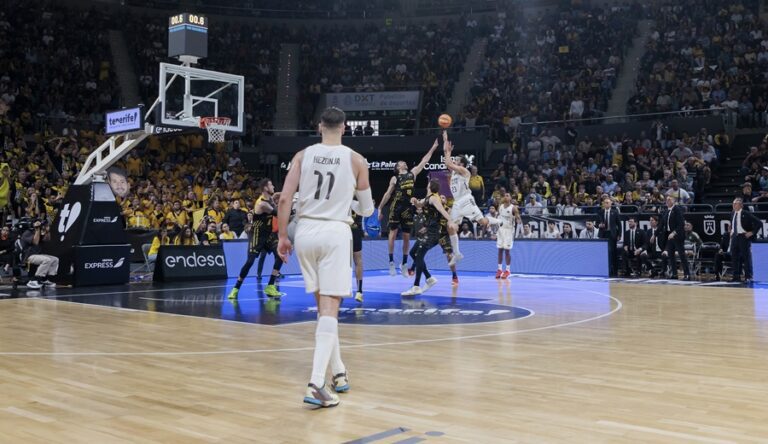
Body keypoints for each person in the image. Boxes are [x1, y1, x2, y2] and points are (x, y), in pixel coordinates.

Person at [276, 107, 373, 408]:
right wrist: (349, 203)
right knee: (331, 307)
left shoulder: (302, 156)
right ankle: (316, 383)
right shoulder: (357, 161)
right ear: (344, 127)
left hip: (304, 231)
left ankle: (338, 373)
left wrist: (282, 236)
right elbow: (367, 209)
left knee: (324, 308)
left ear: (320, 127)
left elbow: (284, 198)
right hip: (334, 232)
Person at [378, 139, 439, 277]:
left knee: (406, 236)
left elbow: (424, 161)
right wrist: (380, 208)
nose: (404, 162)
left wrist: (433, 147)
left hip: (407, 208)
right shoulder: (395, 178)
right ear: (398, 167)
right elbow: (387, 194)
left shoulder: (412, 174)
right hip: (396, 206)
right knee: (392, 234)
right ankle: (391, 262)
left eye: (404, 162)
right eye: (401, 162)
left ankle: (404, 264)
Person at [443, 132, 501, 265]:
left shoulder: (465, 172)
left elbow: (448, 163)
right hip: (458, 203)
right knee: (451, 226)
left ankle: (499, 221)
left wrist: (446, 143)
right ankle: (457, 253)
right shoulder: (454, 172)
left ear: (462, 164)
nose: (454, 161)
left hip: (466, 200)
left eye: (457, 160)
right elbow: (448, 163)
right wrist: (446, 148)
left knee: (482, 222)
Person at [228, 179, 283, 299]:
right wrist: (290, 202)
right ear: (265, 188)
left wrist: (283, 195)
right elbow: (279, 213)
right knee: (250, 262)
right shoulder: (261, 204)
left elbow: (275, 198)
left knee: (280, 255)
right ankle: (236, 288)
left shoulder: (270, 198)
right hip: (257, 234)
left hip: (268, 234)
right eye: (271, 185)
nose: (273, 186)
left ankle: (270, 286)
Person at [401, 180, 453, 296]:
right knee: (413, 253)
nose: (427, 184)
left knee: (419, 256)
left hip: (433, 233)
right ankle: (429, 278)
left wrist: (450, 220)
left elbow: (441, 210)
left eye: (428, 183)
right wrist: (415, 201)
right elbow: (419, 204)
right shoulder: (428, 198)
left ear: (430, 186)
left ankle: (416, 286)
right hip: (428, 231)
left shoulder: (434, 198)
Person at [729, 197, 761, 282]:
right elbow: (733, 224)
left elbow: (759, 223)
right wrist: (731, 231)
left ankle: (748, 277)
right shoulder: (732, 213)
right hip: (735, 237)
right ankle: (736, 277)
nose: (733, 205)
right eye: (733, 203)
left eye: (735, 204)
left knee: (746, 257)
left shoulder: (745, 213)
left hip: (743, 237)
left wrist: (752, 232)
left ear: (741, 205)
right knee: (734, 257)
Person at [19, 220, 58, 289]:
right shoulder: (27, 233)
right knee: (47, 260)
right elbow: (35, 242)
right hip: (28, 256)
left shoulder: (39, 232)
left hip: (37, 255)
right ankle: (35, 280)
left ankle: (45, 280)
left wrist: (47, 231)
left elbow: (47, 239)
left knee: (55, 259)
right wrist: (37, 229)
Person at [661, 196, 691, 280]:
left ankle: (687, 274)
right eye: (666, 200)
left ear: (673, 201)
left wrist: (674, 233)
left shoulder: (677, 209)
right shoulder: (667, 211)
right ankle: (674, 274)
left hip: (678, 236)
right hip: (670, 236)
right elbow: (663, 224)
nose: (667, 201)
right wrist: (655, 234)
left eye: (669, 199)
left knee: (682, 255)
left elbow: (681, 224)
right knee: (671, 255)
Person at [496, 192, 520, 279]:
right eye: (504, 195)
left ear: (510, 198)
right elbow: (498, 217)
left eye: (507, 195)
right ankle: (499, 269)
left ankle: (507, 270)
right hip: (501, 230)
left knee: (507, 251)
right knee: (500, 250)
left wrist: (518, 219)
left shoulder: (513, 208)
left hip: (509, 231)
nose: (505, 197)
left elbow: (518, 219)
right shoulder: (500, 206)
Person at [597, 197, 620, 276]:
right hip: (603, 234)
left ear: (610, 204)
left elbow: (619, 224)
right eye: (605, 202)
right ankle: (605, 270)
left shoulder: (615, 212)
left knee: (612, 252)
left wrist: (619, 234)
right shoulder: (600, 212)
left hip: (612, 234)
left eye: (607, 202)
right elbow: (597, 223)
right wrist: (599, 225)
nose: (606, 204)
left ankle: (613, 270)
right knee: (604, 252)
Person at [351, 210, 364, 303]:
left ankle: (341, 291)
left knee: (342, 261)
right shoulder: (358, 201)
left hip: (344, 230)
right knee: (358, 260)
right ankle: (359, 291)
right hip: (355, 229)